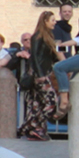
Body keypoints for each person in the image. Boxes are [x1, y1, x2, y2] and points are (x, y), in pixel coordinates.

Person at [16, 12, 62, 141]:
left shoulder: (48, 37)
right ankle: (31, 127)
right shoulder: (37, 36)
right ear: (45, 21)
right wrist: (40, 75)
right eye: (52, 20)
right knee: (51, 102)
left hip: (44, 73)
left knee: (37, 104)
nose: (55, 22)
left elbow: (50, 57)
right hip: (40, 75)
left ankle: (34, 131)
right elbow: (35, 56)